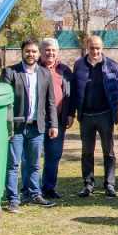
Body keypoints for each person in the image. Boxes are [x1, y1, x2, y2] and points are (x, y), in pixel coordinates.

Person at [0, 39, 58, 213]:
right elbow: (3, 101)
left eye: (33, 51)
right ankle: (13, 199)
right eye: (27, 51)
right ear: (22, 52)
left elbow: (51, 102)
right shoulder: (10, 72)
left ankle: (34, 193)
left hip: (36, 127)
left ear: (38, 53)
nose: (31, 54)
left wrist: (53, 124)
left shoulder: (45, 73)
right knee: (14, 164)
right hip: (15, 127)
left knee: (34, 164)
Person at [72, 35, 118, 198]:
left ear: (102, 47)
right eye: (92, 47)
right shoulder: (79, 65)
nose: (95, 51)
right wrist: (73, 113)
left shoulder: (113, 66)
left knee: (109, 152)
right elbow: (74, 91)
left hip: (105, 115)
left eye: (98, 48)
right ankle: (88, 184)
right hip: (86, 116)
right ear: (87, 47)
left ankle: (110, 184)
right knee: (87, 152)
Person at [38, 37, 73, 200]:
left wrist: (71, 114)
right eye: (47, 49)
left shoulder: (64, 70)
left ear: (57, 52)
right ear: (41, 51)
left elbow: (70, 95)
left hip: (58, 120)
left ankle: (49, 188)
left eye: (53, 50)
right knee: (33, 156)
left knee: (54, 155)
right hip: (36, 120)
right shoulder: (33, 68)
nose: (50, 53)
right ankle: (32, 189)